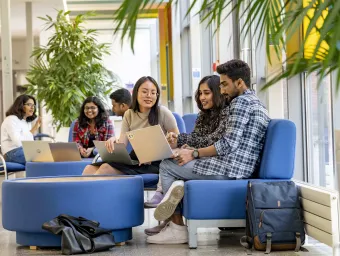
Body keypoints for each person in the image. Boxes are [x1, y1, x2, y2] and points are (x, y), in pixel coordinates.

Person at [146, 59, 271, 244]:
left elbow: (227, 144)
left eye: (225, 85)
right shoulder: (257, 103)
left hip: (230, 169)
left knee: (167, 165)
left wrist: (194, 154)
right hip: (239, 168)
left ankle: (177, 227)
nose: (223, 90)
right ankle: (172, 212)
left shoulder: (239, 103)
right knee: (178, 164)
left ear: (239, 82)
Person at [144, 75, 230, 236]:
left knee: (167, 166)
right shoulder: (204, 114)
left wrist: (184, 142)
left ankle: (175, 223)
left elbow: (215, 141)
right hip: (205, 158)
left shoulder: (226, 113)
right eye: (200, 93)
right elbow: (198, 139)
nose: (202, 97)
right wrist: (185, 146)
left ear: (217, 93)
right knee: (172, 157)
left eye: (207, 93)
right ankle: (169, 219)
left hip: (217, 164)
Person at [82, 76, 179, 175]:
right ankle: (89, 190)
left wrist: (153, 154)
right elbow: (122, 143)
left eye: (153, 93)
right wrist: (114, 141)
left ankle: (95, 190)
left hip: (156, 162)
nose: (149, 96)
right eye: (145, 92)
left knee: (105, 169)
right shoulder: (129, 113)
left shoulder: (163, 112)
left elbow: (178, 143)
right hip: (135, 159)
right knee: (88, 169)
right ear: (136, 93)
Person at [1, 94, 41, 164]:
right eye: (29, 104)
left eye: (33, 105)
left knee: (44, 154)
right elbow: (19, 143)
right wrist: (34, 129)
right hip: (10, 153)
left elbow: (29, 143)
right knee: (40, 156)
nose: (32, 107)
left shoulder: (26, 122)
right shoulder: (11, 119)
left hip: (22, 151)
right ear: (21, 105)